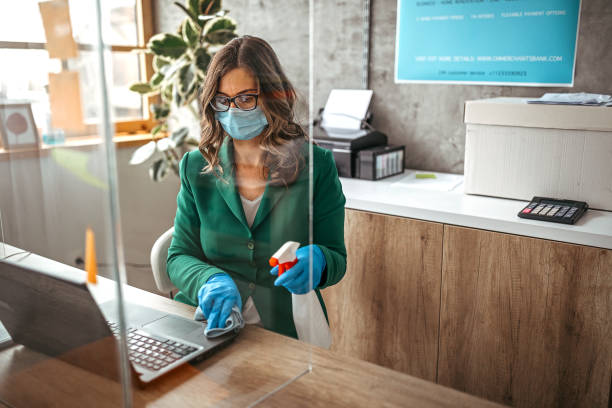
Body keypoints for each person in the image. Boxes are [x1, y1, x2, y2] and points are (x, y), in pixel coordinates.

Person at [167, 35, 346, 338]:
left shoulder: (317, 166)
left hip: (283, 328)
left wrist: (320, 260)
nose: (233, 110)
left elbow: (337, 257)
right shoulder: (195, 167)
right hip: (209, 323)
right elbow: (179, 256)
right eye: (223, 100)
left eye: (247, 98)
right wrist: (209, 279)